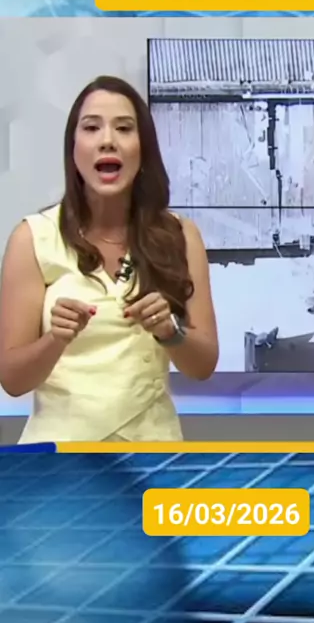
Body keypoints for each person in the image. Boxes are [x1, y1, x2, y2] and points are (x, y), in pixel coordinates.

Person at [0, 76, 219, 443]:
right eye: (91, 128)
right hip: (60, 460)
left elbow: (204, 365)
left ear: (143, 148)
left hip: (152, 454)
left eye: (124, 128)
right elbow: (12, 379)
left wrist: (171, 331)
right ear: (73, 148)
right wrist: (55, 339)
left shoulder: (180, 235)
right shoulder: (32, 238)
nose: (107, 140)